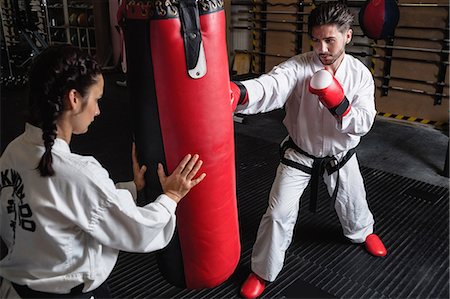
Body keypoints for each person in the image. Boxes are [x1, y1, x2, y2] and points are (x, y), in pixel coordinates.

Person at [0, 44, 206, 298]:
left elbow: (56, 206)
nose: (97, 111)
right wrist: (171, 197)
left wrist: (131, 188)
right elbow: (137, 231)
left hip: (17, 290)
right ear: (74, 98)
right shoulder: (79, 172)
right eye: (96, 100)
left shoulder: (13, 151)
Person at [231, 2, 387, 298]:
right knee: (277, 214)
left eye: (330, 40)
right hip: (299, 155)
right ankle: (262, 272)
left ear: (348, 37)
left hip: (341, 157)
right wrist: (241, 93)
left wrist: (337, 102)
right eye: (316, 40)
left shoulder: (360, 76)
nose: (322, 48)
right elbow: (272, 86)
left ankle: (362, 232)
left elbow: (364, 122)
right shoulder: (300, 66)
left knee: (354, 204)